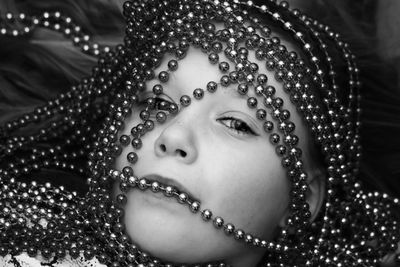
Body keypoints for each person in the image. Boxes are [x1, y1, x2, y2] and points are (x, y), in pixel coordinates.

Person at [0, 0, 399, 266]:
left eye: (236, 124)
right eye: (157, 104)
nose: (171, 136)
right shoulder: (27, 236)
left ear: (304, 199)